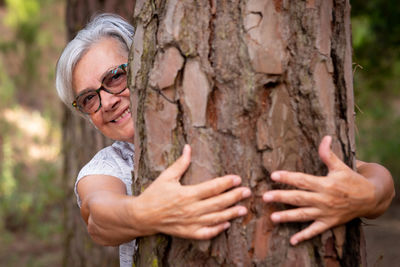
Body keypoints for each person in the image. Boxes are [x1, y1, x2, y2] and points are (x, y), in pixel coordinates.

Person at [55, 13, 394, 266]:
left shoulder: (213, 117)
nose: (107, 101)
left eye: (115, 77)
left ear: (145, 65)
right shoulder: (108, 166)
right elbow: (98, 215)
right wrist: (144, 213)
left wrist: (366, 195)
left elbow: (374, 180)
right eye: (88, 98)